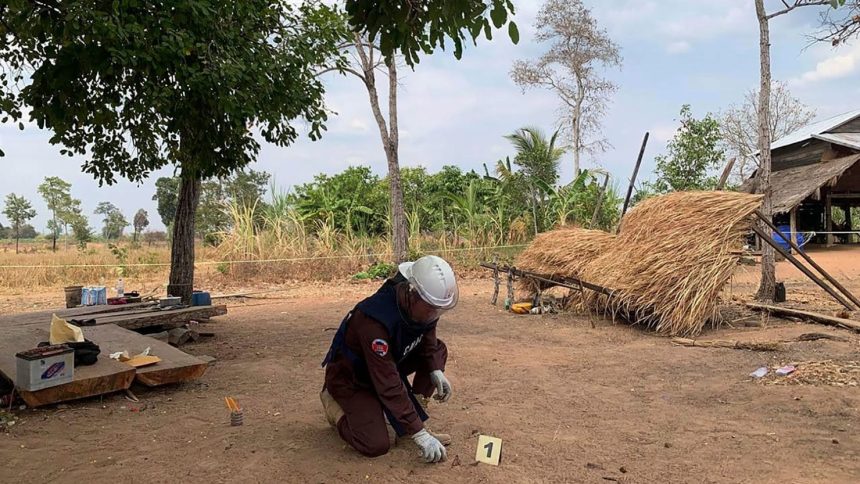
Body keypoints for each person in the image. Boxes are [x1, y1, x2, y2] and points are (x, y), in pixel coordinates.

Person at [320, 255, 459, 463]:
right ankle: (334, 406)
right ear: (412, 293)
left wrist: (435, 369)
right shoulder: (374, 321)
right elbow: (388, 383)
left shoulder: (421, 307)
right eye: (431, 307)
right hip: (353, 378)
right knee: (375, 444)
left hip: (386, 364)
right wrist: (420, 433)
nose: (435, 314)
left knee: (437, 351)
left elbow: (428, 333)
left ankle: (407, 431)